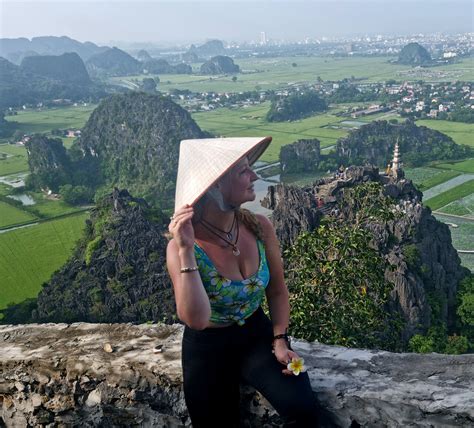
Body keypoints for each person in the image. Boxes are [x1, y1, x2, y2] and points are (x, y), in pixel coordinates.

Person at [166, 137, 320, 427]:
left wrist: (280, 338)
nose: (255, 176)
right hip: (207, 348)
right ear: (214, 187)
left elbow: (277, 290)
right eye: (243, 172)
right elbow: (196, 320)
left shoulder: (259, 227)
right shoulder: (183, 247)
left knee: (303, 407)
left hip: (256, 335)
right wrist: (185, 250)